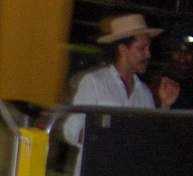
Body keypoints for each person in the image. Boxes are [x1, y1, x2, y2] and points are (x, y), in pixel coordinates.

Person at [62, 12, 178, 144]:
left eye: (148, 48)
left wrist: (164, 106)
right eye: (142, 48)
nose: (148, 55)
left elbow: (151, 137)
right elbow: (72, 129)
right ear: (123, 49)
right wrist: (103, 137)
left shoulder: (143, 92)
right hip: (98, 164)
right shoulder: (95, 82)